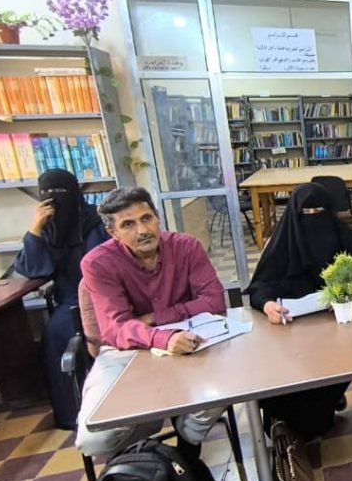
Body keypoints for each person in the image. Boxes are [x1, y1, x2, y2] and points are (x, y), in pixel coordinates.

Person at [76, 187, 229, 460]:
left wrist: (157, 317)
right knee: (93, 439)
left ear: (158, 217)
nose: (142, 230)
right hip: (126, 350)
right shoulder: (97, 263)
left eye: (146, 218)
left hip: (190, 339)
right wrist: (162, 338)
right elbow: (116, 328)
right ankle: (150, 444)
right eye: (128, 224)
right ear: (113, 232)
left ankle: (185, 452)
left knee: (229, 385)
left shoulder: (186, 247)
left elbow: (215, 301)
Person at [245, 182, 352, 439]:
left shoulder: (341, 235)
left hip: (335, 329)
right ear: (294, 214)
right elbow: (259, 288)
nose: (313, 219)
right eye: (306, 213)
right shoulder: (283, 240)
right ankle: (285, 427)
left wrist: (346, 296)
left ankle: (327, 406)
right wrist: (268, 306)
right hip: (291, 331)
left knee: (345, 360)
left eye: (319, 212)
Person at [14, 169, 107, 429]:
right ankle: (73, 415)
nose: (55, 198)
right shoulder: (48, 227)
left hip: (104, 297)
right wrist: (35, 229)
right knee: (56, 337)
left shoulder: (97, 220)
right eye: (47, 193)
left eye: (61, 192)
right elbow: (32, 268)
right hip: (68, 302)